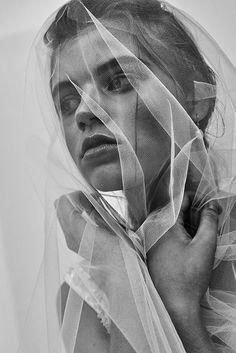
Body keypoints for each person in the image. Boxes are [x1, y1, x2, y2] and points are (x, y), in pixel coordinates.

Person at [19, 0, 236, 352]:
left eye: (118, 81)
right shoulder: (85, 294)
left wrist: (179, 311)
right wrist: (116, 265)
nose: (84, 113)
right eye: (67, 101)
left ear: (196, 100)